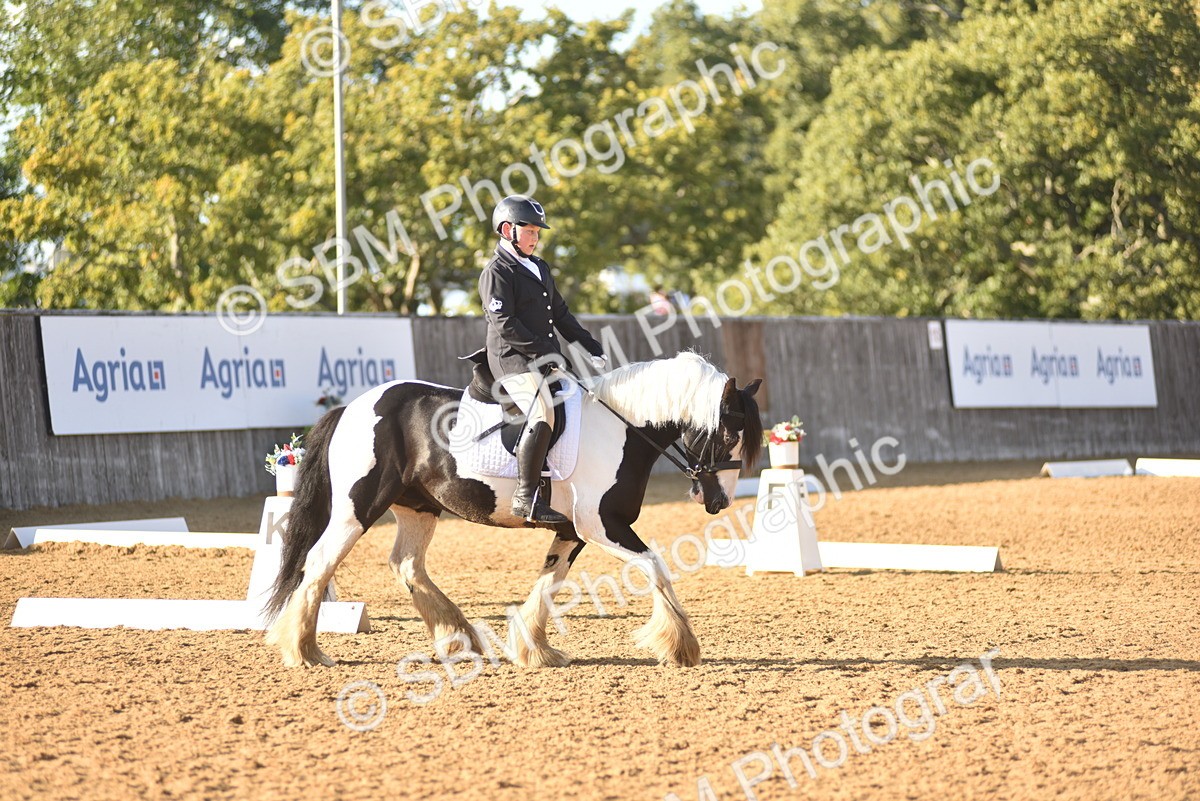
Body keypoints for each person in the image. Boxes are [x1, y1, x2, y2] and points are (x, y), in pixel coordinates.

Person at [479, 194, 607, 524]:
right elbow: (504, 323)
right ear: (508, 230)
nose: (535, 238)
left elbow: (560, 314)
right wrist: (544, 353)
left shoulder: (539, 268)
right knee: (543, 411)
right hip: (512, 359)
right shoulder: (497, 272)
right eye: (530, 231)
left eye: (538, 232)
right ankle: (526, 496)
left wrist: (590, 345)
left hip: (541, 357)